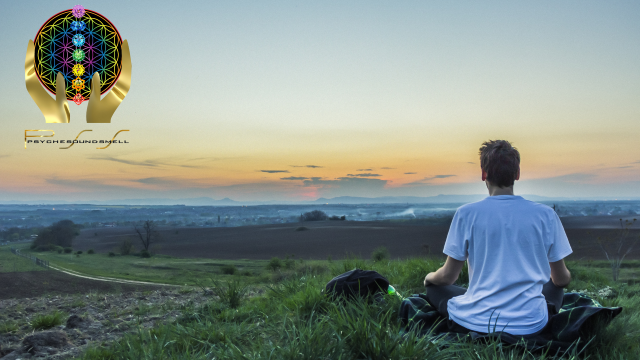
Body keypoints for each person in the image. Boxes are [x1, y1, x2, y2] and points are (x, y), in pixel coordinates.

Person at [423, 139, 573, 336]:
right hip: (530, 324)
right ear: (517, 174)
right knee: (554, 285)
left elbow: (448, 277)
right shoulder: (546, 215)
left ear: (484, 174)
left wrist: (429, 278)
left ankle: (475, 303)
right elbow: (562, 280)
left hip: (476, 321)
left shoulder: (466, 214)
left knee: (435, 288)